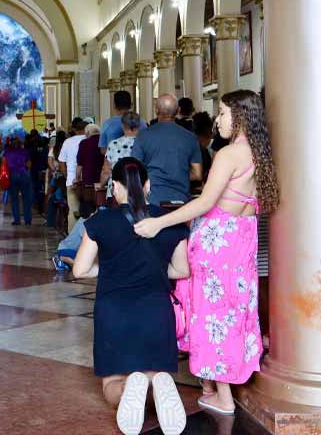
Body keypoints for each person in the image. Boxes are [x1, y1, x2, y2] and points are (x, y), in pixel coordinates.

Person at [134, 89, 277, 416]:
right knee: (234, 311)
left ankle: (223, 396)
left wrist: (159, 223)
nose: (217, 120)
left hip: (217, 243)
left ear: (240, 116)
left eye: (223, 113)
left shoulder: (229, 154)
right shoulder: (259, 152)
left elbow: (204, 202)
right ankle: (214, 386)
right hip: (241, 243)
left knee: (213, 315)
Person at [73, 158, 190, 435]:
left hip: (113, 311)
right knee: (151, 370)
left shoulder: (100, 221)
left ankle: (127, 386)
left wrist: (112, 268)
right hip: (156, 311)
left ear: (114, 187)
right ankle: (159, 380)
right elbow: (182, 269)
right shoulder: (167, 221)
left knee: (112, 383)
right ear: (147, 185)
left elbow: (80, 269)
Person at [130, 95, 203, 212]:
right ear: (178, 110)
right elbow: (197, 174)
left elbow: (134, 168)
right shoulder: (190, 137)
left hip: (151, 199)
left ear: (156, 110)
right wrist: (178, 172)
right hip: (181, 200)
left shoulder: (143, 135)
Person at [99, 112, 141, 202]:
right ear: (139, 125)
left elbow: (106, 170)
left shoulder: (114, 144)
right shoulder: (145, 143)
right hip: (139, 190)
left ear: (122, 125)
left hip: (117, 191)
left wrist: (101, 185)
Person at [57, 118, 88, 230]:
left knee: (73, 211)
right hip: (89, 181)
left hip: (72, 180)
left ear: (75, 130)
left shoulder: (68, 141)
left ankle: (72, 238)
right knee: (89, 211)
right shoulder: (90, 140)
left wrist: (66, 175)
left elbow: (61, 161)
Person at [4, 137, 34, 225]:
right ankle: (27, 220)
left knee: (14, 198)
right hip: (24, 174)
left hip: (12, 175)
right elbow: (29, 164)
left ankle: (17, 220)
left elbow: (4, 163)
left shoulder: (7, 152)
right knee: (26, 198)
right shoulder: (25, 151)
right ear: (21, 144)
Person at [76, 123, 104, 216]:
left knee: (88, 208)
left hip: (89, 181)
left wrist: (78, 178)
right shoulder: (105, 142)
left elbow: (80, 165)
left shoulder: (84, 143)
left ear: (88, 133)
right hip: (103, 181)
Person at [45, 130, 68, 228]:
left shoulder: (54, 148)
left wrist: (54, 170)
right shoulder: (67, 146)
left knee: (50, 194)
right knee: (61, 192)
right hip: (66, 175)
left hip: (56, 175)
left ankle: (50, 221)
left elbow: (49, 161)